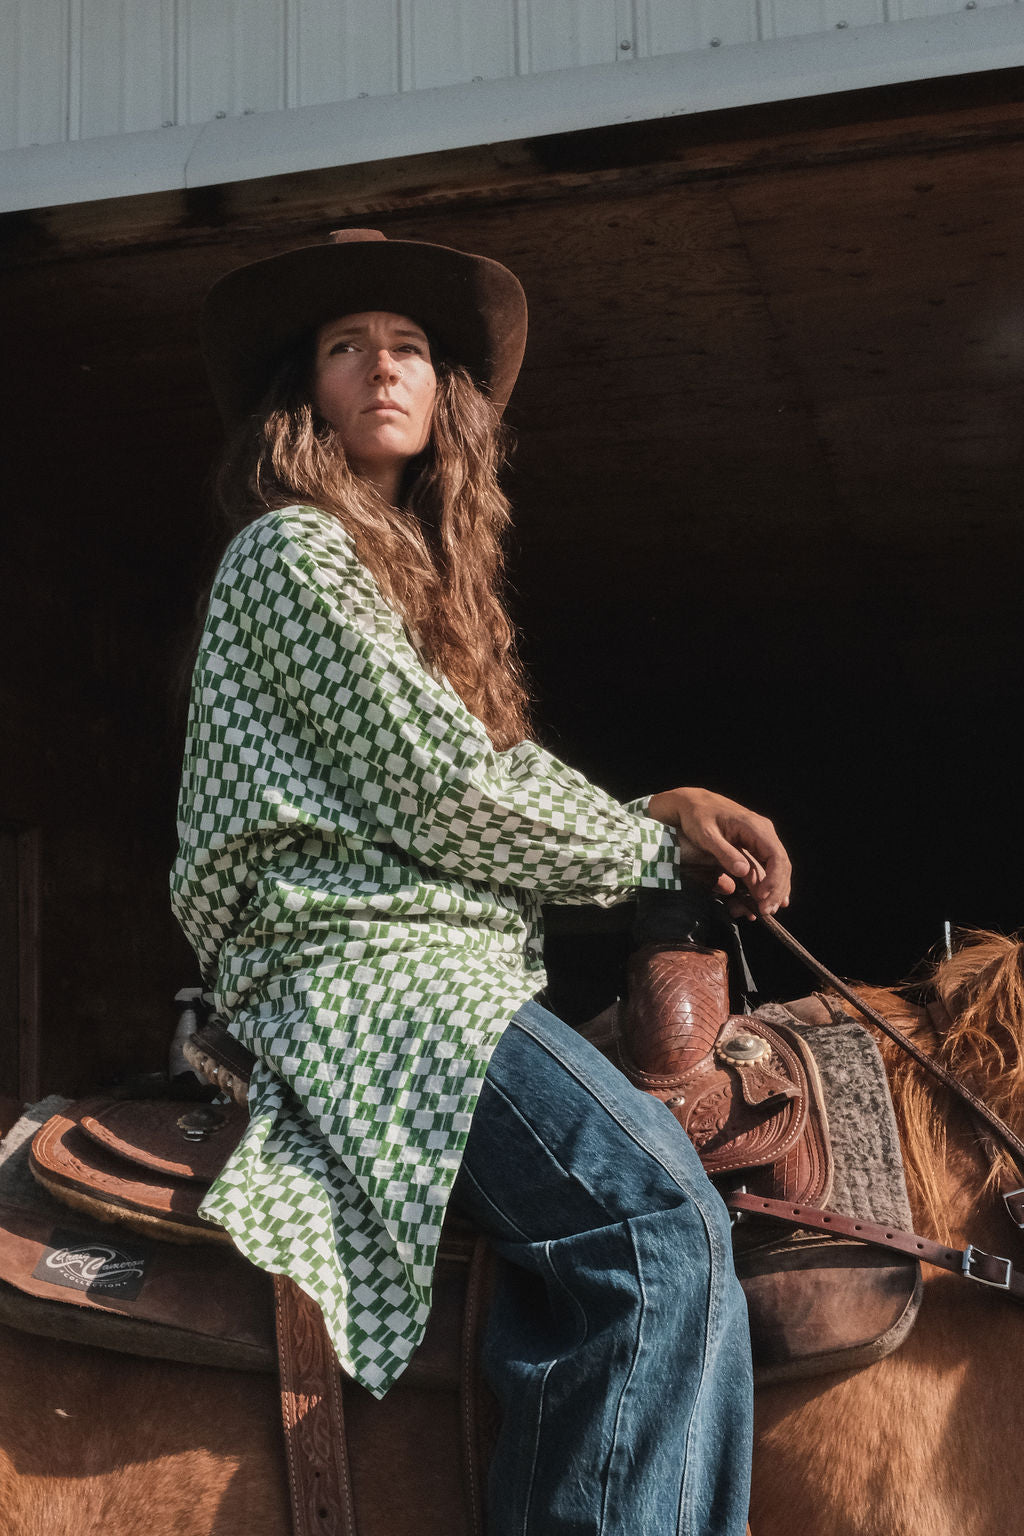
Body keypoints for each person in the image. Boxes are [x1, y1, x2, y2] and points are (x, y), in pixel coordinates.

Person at [171, 227, 791, 1536]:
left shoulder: (406, 586)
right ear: (307, 391)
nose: (382, 370)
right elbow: (443, 793)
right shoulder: (294, 558)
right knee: (655, 1226)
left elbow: (477, 770)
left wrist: (650, 814)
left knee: (692, 1243)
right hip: (370, 974)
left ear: (442, 390)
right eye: (348, 348)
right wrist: (651, 845)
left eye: (408, 349)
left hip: (439, 967)